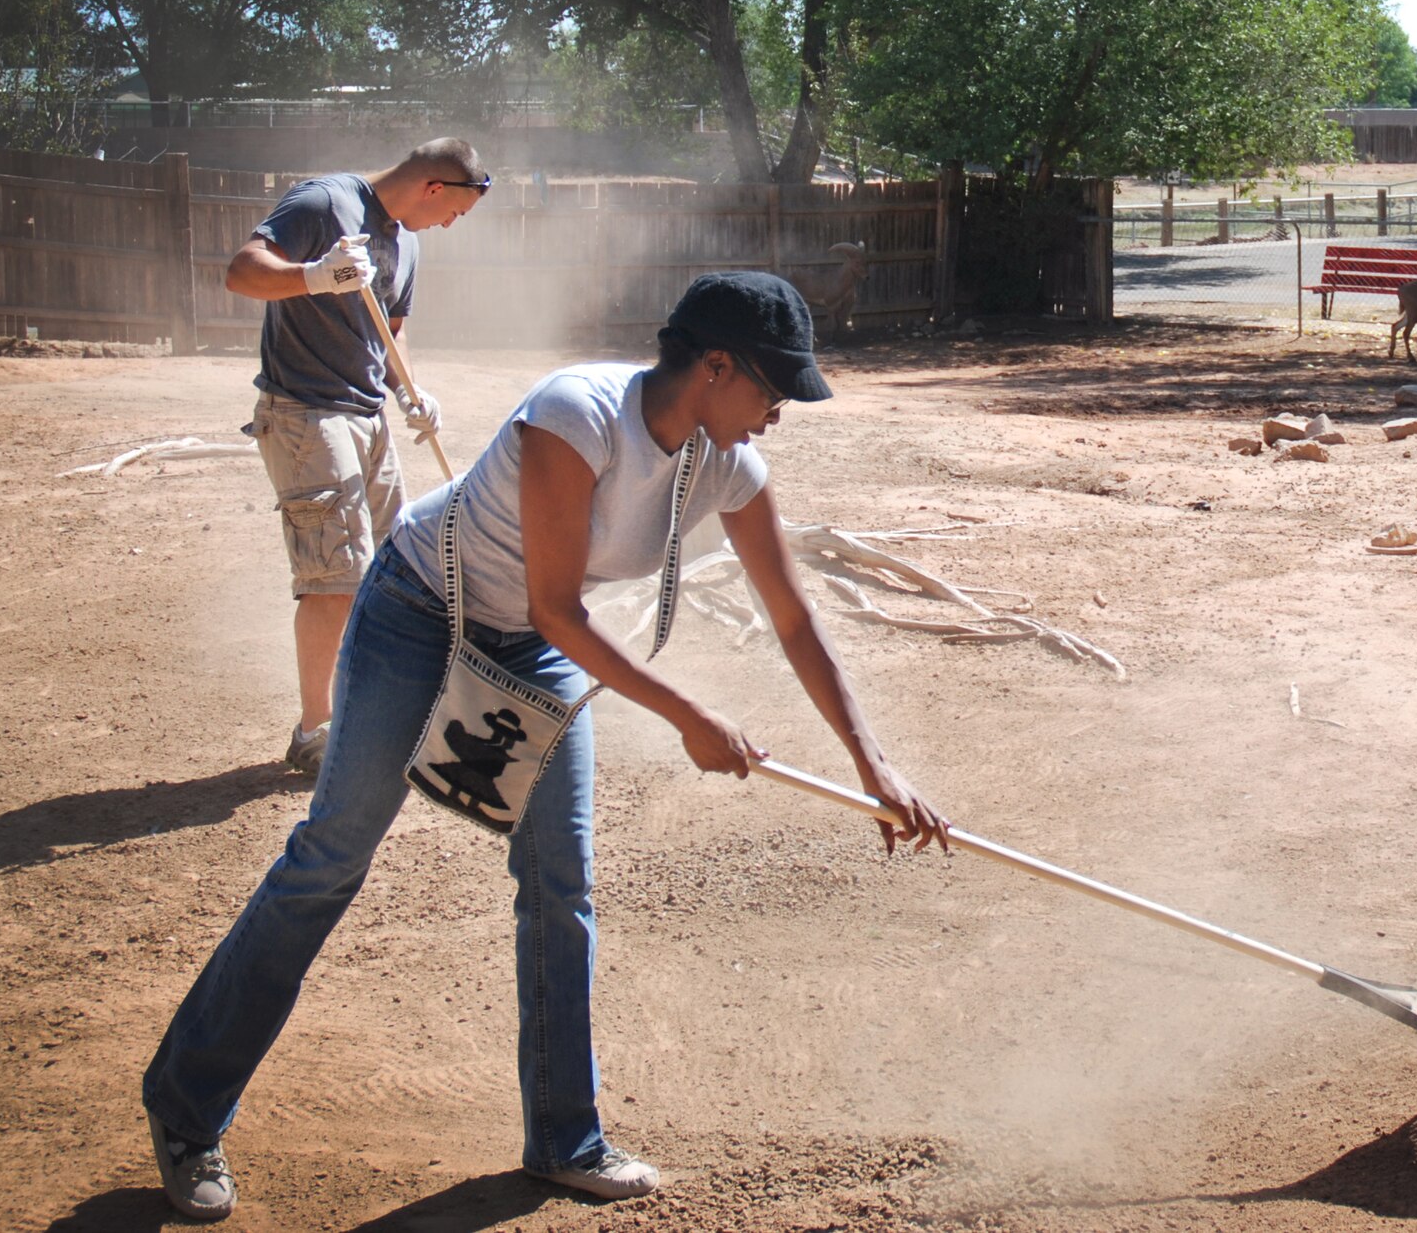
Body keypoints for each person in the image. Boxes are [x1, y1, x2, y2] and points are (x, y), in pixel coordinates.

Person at [141, 271, 951, 1222]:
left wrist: (874, 763)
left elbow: (794, 619)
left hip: (529, 649)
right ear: (715, 365)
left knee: (560, 884)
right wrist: (687, 714)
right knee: (332, 855)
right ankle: (187, 1109)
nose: (778, 415)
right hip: (416, 611)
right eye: (773, 390)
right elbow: (558, 607)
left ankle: (564, 1137)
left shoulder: (726, 465)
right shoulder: (578, 413)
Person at [228, 137, 490, 776]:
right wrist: (312, 277)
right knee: (337, 577)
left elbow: (390, 334)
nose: (452, 224)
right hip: (306, 413)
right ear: (434, 187)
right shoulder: (325, 203)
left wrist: (409, 392)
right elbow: (242, 271)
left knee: (390, 569)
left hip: (368, 417)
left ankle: (372, 708)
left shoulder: (406, 242)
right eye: (455, 211)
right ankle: (315, 731)